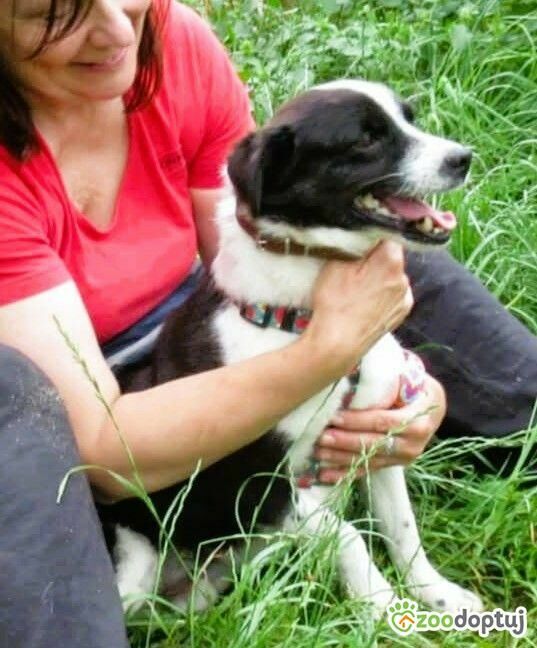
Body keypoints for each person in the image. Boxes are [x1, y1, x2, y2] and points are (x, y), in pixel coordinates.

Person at [0, 0, 535, 646]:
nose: (117, 30)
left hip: (221, 309)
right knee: (77, 603)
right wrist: (328, 352)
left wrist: (409, 389)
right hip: (93, 392)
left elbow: (262, 230)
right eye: (51, 15)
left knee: (410, 280)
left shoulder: (167, 40)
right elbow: (108, 457)